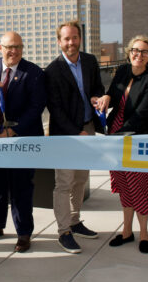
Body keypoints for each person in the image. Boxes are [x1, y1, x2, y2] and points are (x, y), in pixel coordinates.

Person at [0, 31, 46, 253]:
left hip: (20, 137)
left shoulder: (33, 72)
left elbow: (36, 108)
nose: (13, 51)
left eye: (18, 47)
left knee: (21, 186)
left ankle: (24, 233)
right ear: (0, 48)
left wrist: (13, 131)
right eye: (9, 47)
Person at [44, 21, 105, 254]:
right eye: (66, 39)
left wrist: (97, 98)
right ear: (59, 42)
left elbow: (98, 87)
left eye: (75, 37)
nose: (71, 42)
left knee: (81, 179)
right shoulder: (52, 70)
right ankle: (63, 232)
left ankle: (74, 220)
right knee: (64, 182)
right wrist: (74, 131)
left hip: (88, 128)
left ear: (80, 38)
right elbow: (55, 108)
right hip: (66, 135)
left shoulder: (89, 61)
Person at [103, 36, 148, 254]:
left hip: (137, 138)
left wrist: (118, 135)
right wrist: (106, 98)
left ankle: (144, 234)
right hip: (115, 134)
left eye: (144, 52)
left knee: (141, 186)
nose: (139, 55)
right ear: (129, 52)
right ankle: (127, 231)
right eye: (135, 50)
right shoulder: (122, 71)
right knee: (124, 185)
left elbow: (142, 113)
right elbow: (112, 93)